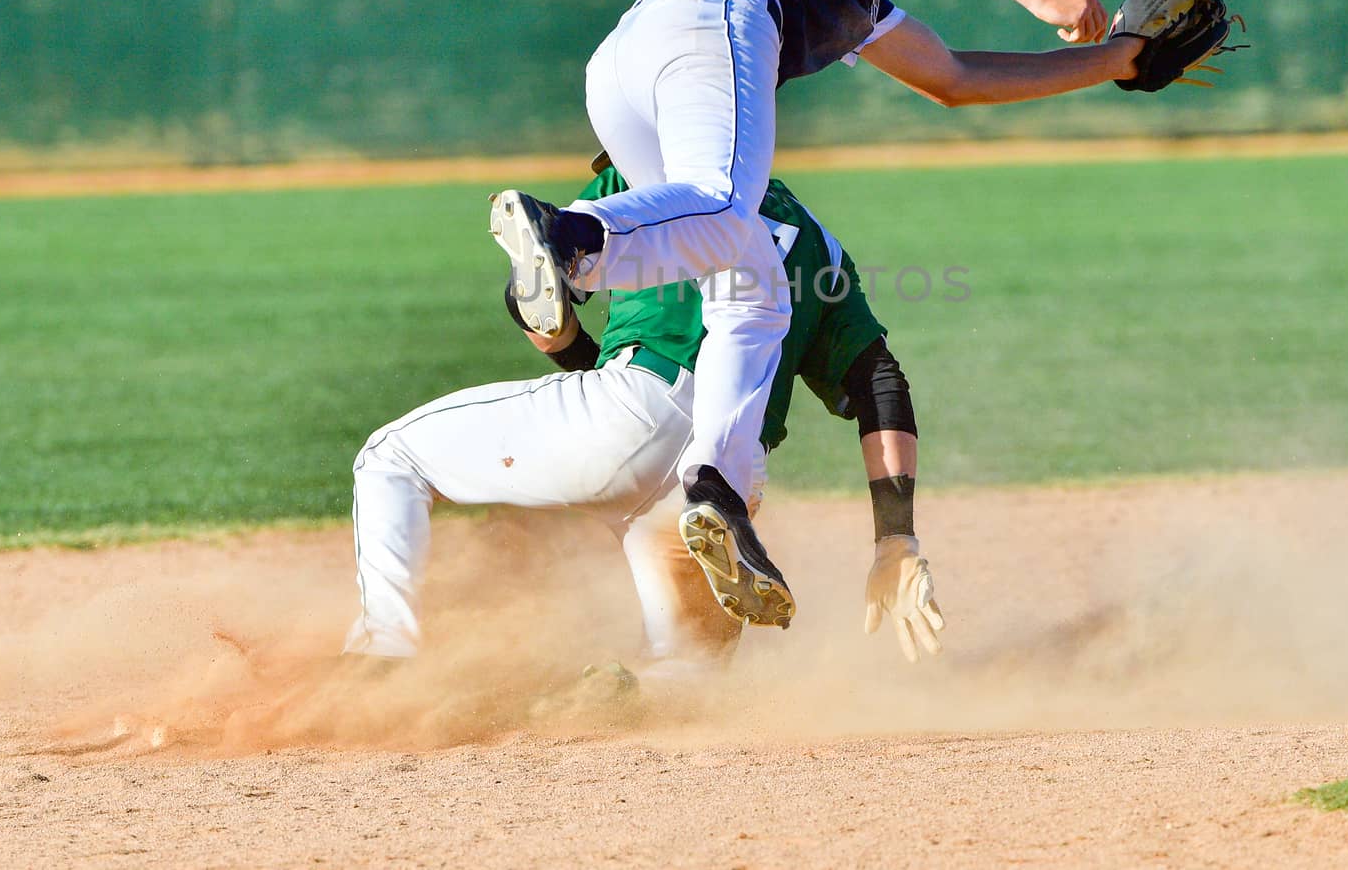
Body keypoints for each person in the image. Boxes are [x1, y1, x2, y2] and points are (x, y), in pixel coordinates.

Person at [493, 0, 1144, 629]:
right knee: (728, 211)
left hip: (631, 58)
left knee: (746, 274)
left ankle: (714, 489)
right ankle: (572, 242)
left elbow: (955, 80)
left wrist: (1117, 64)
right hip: (717, 19)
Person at [347, 163, 943, 674]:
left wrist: (556, 333)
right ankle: (633, 692)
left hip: (635, 410)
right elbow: (878, 384)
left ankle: (385, 657)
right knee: (689, 671)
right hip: (729, 473)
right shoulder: (817, 241)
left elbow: (537, 297)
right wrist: (896, 539)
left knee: (390, 459)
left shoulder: (636, 173)